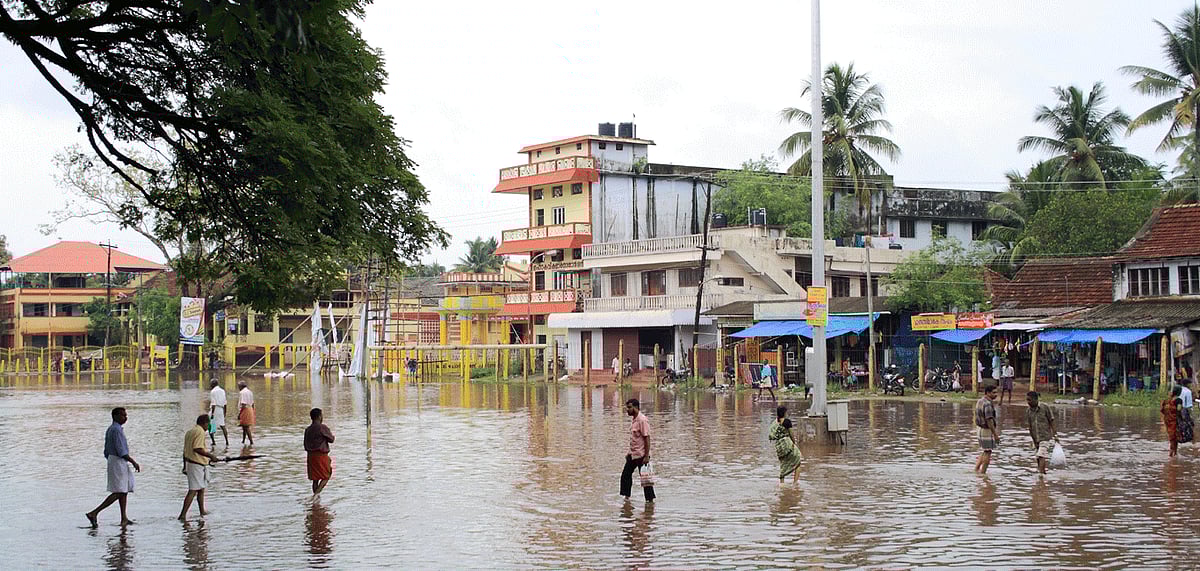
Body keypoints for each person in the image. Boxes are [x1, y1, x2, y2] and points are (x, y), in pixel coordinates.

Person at [85, 407, 141, 528]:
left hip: (113, 459)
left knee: (123, 490)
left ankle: (124, 518)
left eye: (126, 415)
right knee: (119, 491)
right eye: (122, 415)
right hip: (118, 461)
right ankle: (94, 512)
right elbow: (122, 451)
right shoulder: (116, 430)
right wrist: (133, 462)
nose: (125, 418)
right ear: (115, 416)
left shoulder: (112, 429)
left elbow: (106, 450)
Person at [180, 414, 223, 521]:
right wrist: (211, 456)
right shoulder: (200, 432)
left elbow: (185, 452)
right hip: (196, 465)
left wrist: (184, 466)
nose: (208, 426)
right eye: (208, 424)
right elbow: (197, 448)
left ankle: (202, 511)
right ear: (205, 423)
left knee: (201, 489)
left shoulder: (190, 432)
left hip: (192, 463)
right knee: (193, 490)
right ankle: (182, 515)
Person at [619, 399, 655, 503]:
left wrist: (647, 456)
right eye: (627, 407)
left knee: (645, 480)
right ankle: (626, 499)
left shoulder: (642, 420)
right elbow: (635, 439)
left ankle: (650, 501)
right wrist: (629, 453)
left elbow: (647, 438)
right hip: (633, 454)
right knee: (625, 475)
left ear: (635, 407)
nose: (627, 410)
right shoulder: (634, 420)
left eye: (629, 407)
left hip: (642, 455)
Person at [305, 408, 336, 495]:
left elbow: (305, 444)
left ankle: (316, 502)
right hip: (321, 455)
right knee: (327, 475)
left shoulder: (308, 430)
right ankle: (316, 495)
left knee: (315, 479)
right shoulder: (322, 428)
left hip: (310, 456)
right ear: (319, 417)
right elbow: (331, 439)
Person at [1025, 392, 1058, 474]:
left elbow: (1051, 420)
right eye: (1027, 400)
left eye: (1029, 400)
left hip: (1045, 437)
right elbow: (1030, 427)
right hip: (1036, 437)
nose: (1028, 402)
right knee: (1038, 456)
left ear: (1035, 399)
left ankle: (1041, 475)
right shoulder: (1028, 411)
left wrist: (1055, 434)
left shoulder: (1045, 407)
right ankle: (1042, 472)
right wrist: (1033, 440)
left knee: (1041, 455)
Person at [769, 406, 803, 484]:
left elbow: (772, 435)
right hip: (787, 444)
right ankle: (795, 483)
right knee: (798, 460)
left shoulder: (775, 423)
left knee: (783, 463)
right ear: (784, 413)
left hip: (779, 446)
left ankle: (782, 483)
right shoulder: (787, 422)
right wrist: (794, 443)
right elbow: (792, 434)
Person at [974, 385, 1000, 474]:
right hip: (986, 430)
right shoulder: (988, 404)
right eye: (994, 392)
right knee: (988, 452)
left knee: (985, 450)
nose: (996, 394)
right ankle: (983, 473)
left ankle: (976, 469)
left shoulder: (980, 401)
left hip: (979, 429)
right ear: (988, 393)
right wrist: (995, 434)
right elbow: (989, 420)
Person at [1162, 386, 1182, 458]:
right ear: (1179, 392)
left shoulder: (1167, 400)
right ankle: (1171, 454)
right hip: (1175, 421)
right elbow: (1179, 409)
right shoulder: (1178, 400)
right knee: (1174, 437)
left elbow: (1163, 410)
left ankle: (1175, 453)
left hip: (1167, 420)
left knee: (1173, 437)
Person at [208, 379, 229, 447]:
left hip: (215, 409)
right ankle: (227, 441)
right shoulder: (222, 391)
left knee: (211, 425)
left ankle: (213, 441)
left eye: (211, 384)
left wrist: (212, 414)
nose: (210, 385)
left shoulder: (213, 391)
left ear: (213, 384)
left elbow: (213, 403)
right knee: (222, 426)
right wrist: (225, 412)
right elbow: (225, 402)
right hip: (221, 409)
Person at [237, 381, 256, 445]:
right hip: (250, 409)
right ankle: (243, 440)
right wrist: (253, 411)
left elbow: (243, 404)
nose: (238, 388)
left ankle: (251, 441)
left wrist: (240, 414)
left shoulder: (242, 392)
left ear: (241, 386)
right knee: (244, 426)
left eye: (238, 386)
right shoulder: (250, 392)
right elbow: (253, 403)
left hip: (245, 409)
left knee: (246, 426)